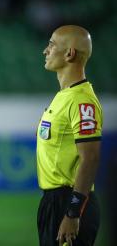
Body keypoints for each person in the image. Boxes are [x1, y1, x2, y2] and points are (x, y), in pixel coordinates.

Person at [37, 25, 102, 246]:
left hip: (68, 202)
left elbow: (90, 157)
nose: (45, 51)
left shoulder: (82, 100)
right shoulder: (64, 96)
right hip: (53, 201)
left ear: (69, 53)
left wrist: (73, 213)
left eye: (52, 45)